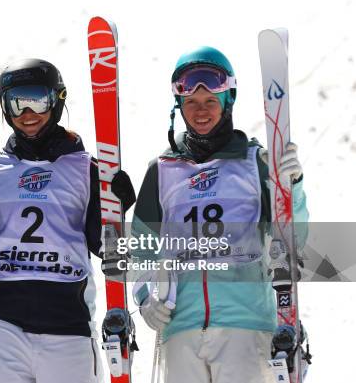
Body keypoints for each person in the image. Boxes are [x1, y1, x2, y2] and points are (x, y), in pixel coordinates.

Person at [122, 46, 309, 383]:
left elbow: (295, 237)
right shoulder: (161, 171)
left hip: (246, 327)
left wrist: (291, 186)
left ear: (228, 101)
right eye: (191, 102)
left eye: (210, 101)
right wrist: (145, 298)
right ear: (179, 106)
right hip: (181, 330)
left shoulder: (256, 162)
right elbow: (140, 250)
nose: (201, 110)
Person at [0, 59, 104, 383]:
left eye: (37, 100)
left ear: (57, 99)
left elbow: (110, 250)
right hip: (4, 328)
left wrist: (118, 206)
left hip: (68, 328)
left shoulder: (87, 169)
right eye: (17, 102)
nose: (27, 113)